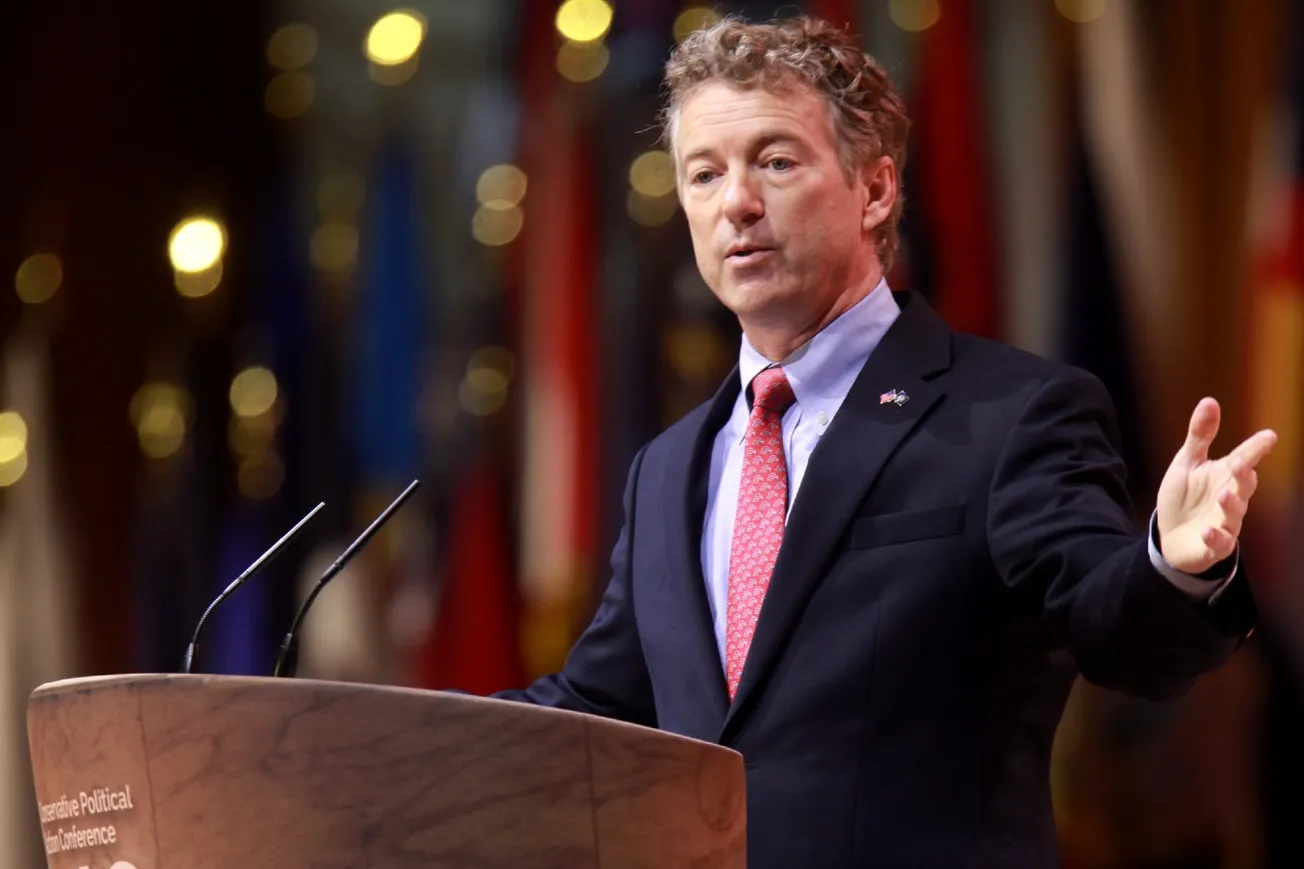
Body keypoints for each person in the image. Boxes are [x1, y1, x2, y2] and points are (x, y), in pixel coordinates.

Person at [495, 15, 1277, 867]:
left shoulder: (1009, 414)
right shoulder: (667, 468)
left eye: (775, 162)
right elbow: (596, 707)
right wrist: (400, 739)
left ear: (874, 191)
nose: (736, 203)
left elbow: (1115, 629)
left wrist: (1173, 565)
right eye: (705, 174)